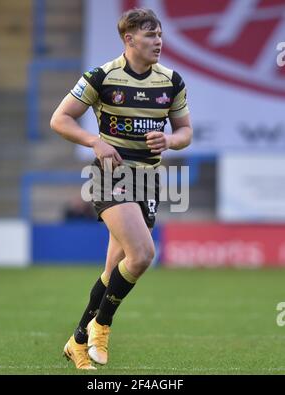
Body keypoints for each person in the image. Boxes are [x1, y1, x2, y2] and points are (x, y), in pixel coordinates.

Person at [50, 8, 193, 370]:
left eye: (160, 34)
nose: (158, 41)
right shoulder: (102, 76)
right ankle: (102, 326)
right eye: (150, 36)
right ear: (129, 39)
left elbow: (185, 132)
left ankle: (77, 341)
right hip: (110, 176)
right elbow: (60, 119)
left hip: (147, 180)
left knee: (116, 265)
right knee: (143, 255)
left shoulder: (171, 81)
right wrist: (93, 142)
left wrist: (171, 140)